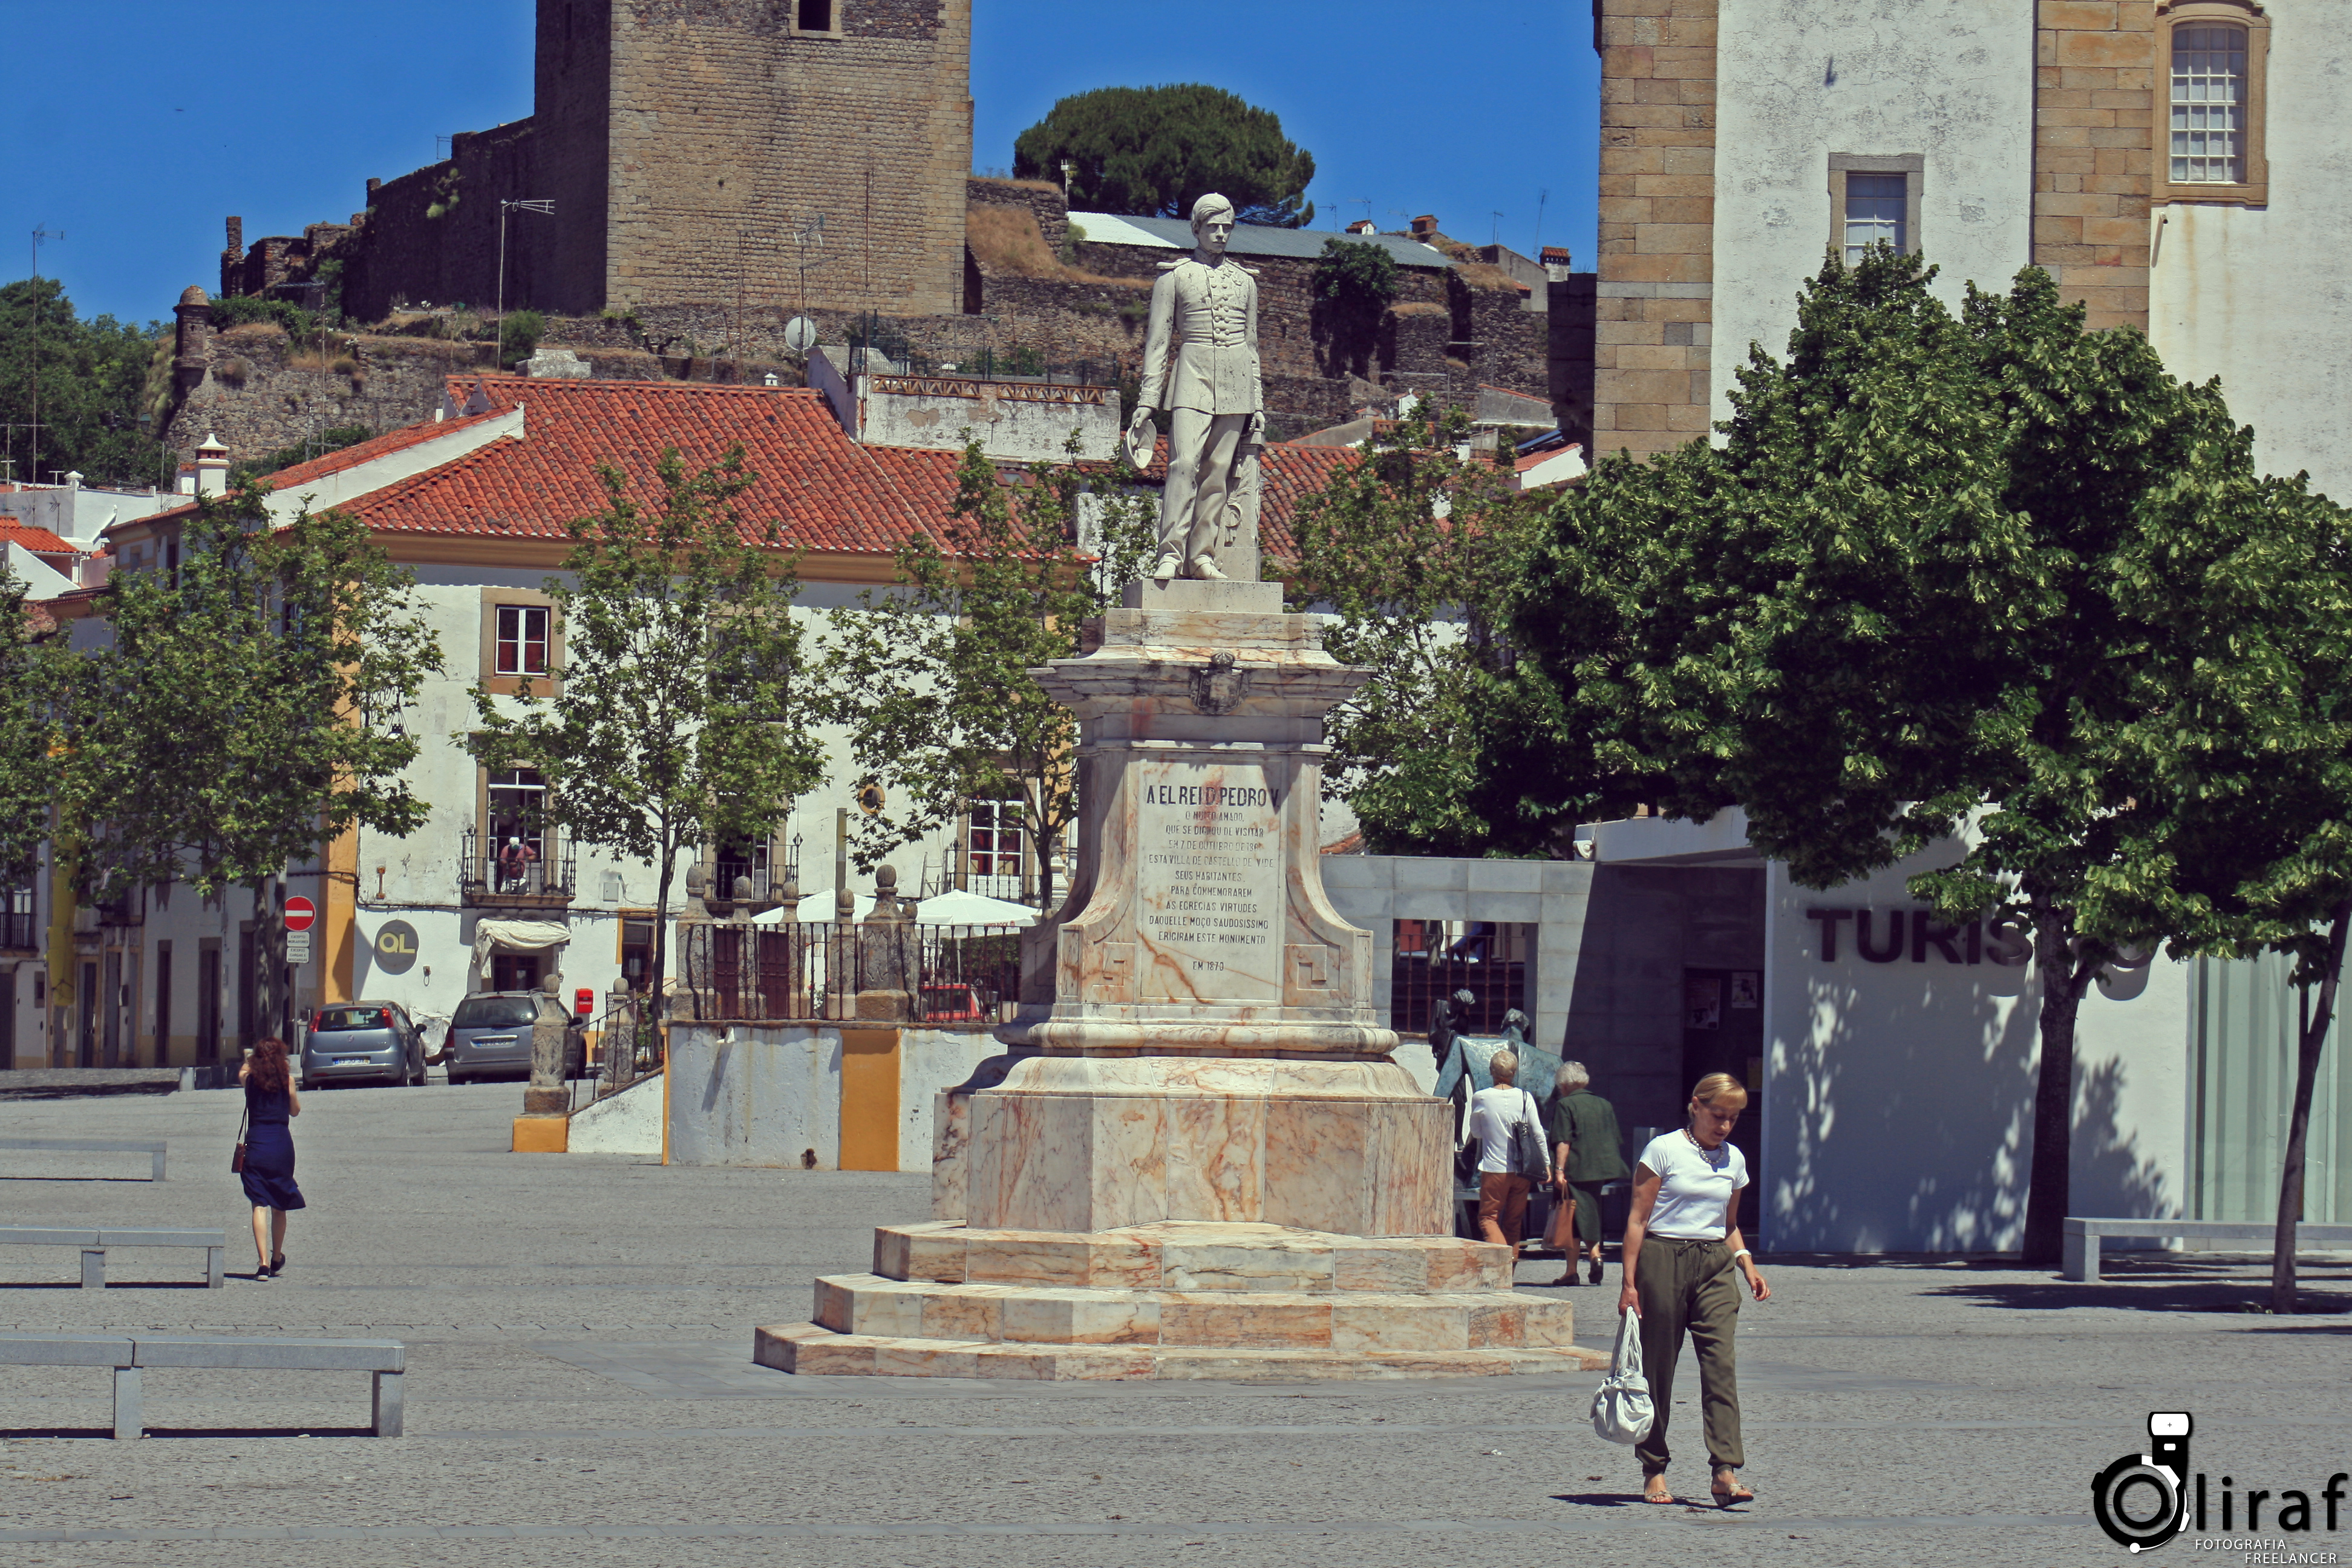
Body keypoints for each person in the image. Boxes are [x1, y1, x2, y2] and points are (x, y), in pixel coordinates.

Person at [1618, 1071, 1770, 1507]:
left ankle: (1725, 1470)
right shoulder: (1664, 1150)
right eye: (1718, 1115)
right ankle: (1654, 1468)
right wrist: (1629, 1283)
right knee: (1658, 1370)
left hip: (1715, 1266)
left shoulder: (1734, 1161)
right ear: (1695, 1106)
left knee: (1721, 1365)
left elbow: (1729, 1225)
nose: (1724, 1125)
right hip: (1662, 1259)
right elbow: (1637, 1220)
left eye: (1733, 1118)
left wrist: (1747, 1263)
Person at [1130, 192, 1264, 581]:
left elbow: (1252, 345)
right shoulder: (1173, 278)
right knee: (1183, 464)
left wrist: (1257, 403)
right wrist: (1147, 402)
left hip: (1237, 378)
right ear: (1197, 228)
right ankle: (1170, 552)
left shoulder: (1246, 282)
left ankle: (1202, 556)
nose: (1221, 234)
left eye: (1228, 227)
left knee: (1219, 471)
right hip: (1192, 372)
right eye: (1213, 227)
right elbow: (1157, 343)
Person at [1547, 1060, 1629, 1285]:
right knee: (1586, 1212)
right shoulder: (1604, 1104)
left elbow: (1563, 1140)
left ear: (1564, 1085)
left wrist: (1559, 1170)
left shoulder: (1565, 1105)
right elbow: (1614, 1137)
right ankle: (1579, 1267)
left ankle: (1589, 1260)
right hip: (1600, 1168)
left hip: (1576, 1168)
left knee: (1572, 1214)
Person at [237, 1036, 307, 1279]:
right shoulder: (286, 1080)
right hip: (281, 1145)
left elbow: (243, 1069)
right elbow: (295, 1111)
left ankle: (263, 1263)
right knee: (279, 1205)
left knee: (259, 1203)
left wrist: (254, 1059)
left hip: (256, 1144)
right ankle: (277, 1256)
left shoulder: (250, 1081)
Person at [1463, 1048, 1544, 1253]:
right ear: (1514, 1072)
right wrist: (1547, 1165)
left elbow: (1476, 1132)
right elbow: (1538, 1134)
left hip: (1495, 1168)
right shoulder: (1526, 1097)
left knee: (1488, 1218)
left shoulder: (1481, 1097)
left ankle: (1502, 1262)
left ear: (1492, 1071)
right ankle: (1511, 1267)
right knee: (1514, 1221)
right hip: (1522, 1170)